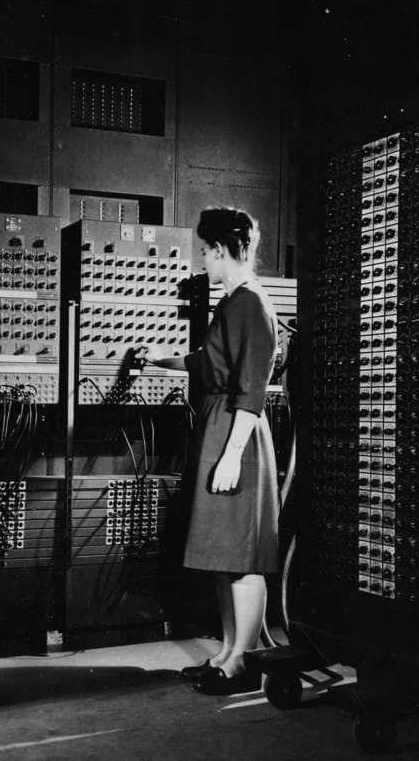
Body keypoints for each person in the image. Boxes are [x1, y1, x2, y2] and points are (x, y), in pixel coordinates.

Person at [140, 207, 279, 696]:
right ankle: (227, 652)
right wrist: (163, 360)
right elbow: (207, 363)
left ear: (221, 250)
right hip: (219, 425)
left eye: (204, 251)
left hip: (237, 433)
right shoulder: (233, 302)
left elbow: (252, 389)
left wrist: (231, 455)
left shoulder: (251, 304)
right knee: (223, 553)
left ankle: (244, 661)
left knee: (242, 557)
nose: (202, 259)